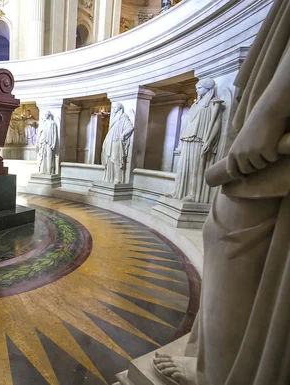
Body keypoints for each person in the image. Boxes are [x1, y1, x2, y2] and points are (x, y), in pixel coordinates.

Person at [153, 1, 290, 384]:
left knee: (232, 241)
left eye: (203, 85)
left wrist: (272, 111)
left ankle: (214, 373)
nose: (199, 89)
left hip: (268, 141)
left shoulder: (213, 106)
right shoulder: (202, 105)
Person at [167, 79, 223, 202]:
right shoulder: (195, 104)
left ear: (208, 89)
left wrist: (209, 141)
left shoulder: (213, 104)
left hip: (199, 140)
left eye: (199, 88)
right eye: (196, 88)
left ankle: (192, 195)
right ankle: (178, 191)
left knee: (195, 168)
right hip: (188, 139)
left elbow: (216, 124)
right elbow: (188, 124)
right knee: (182, 167)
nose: (197, 90)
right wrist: (182, 142)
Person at [101, 102, 134, 184]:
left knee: (116, 160)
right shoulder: (114, 118)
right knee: (109, 160)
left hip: (116, 143)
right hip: (110, 142)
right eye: (113, 107)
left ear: (120, 108)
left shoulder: (123, 118)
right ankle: (110, 178)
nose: (113, 109)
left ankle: (118, 179)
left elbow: (130, 127)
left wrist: (123, 135)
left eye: (115, 107)